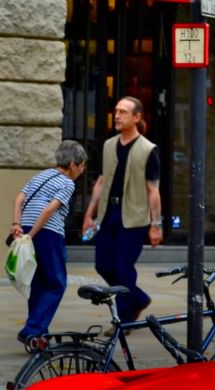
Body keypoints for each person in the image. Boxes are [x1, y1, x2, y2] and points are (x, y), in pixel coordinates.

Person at [82, 96, 163, 323]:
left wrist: (156, 225)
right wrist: (90, 214)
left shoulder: (149, 150)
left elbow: (153, 190)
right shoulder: (109, 145)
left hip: (134, 218)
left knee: (123, 267)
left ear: (137, 117)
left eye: (123, 112)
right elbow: (100, 181)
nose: (117, 115)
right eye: (116, 111)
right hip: (109, 215)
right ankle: (138, 298)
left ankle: (124, 318)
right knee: (103, 264)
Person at [10, 140, 88, 345]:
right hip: (48, 232)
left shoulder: (40, 175)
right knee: (56, 283)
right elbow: (49, 210)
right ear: (72, 165)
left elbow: (18, 199)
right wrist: (33, 234)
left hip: (26, 226)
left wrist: (17, 225)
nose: (82, 170)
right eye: (82, 166)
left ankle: (38, 333)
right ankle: (32, 329)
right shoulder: (67, 182)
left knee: (38, 283)